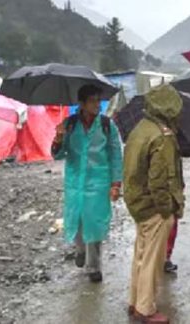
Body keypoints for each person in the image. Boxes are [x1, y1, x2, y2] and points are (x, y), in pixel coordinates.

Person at [122, 84, 185, 324]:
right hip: (153, 207)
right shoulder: (162, 136)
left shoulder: (140, 128)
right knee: (152, 259)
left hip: (137, 202)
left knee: (140, 253)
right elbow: (160, 180)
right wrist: (167, 210)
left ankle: (135, 300)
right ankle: (145, 309)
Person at [51, 85, 123, 284]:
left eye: (98, 100)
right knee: (77, 221)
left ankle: (94, 266)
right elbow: (58, 154)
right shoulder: (70, 124)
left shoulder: (108, 126)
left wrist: (116, 183)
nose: (97, 105)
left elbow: (116, 154)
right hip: (75, 182)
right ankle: (80, 249)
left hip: (99, 182)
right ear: (81, 104)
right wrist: (58, 138)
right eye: (92, 101)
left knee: (96, 224)